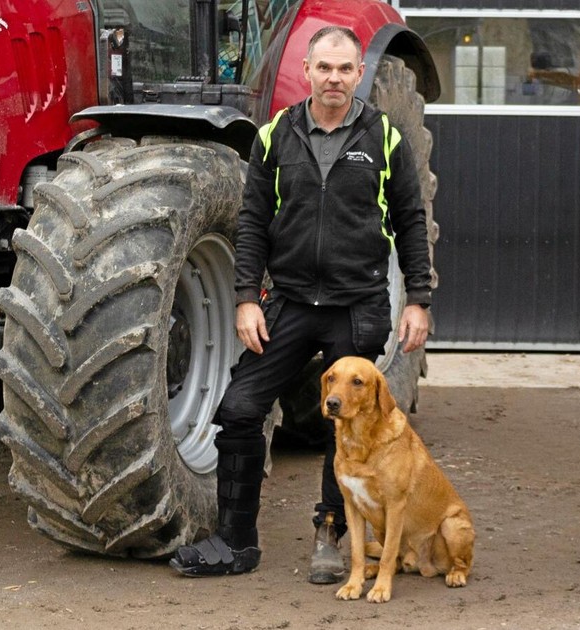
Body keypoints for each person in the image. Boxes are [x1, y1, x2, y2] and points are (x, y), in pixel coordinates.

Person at [169, 25, 432, 581]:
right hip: (289, 300)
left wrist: (418, 299)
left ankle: (330, 533)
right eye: (324, 68)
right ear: (307, 71)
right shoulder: (275, 136)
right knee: (241, 408)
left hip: (356, 304)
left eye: (345, 69)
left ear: (359, 74)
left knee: (349, 420)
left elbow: (411, 220)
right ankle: (235, 542)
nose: (334, 78)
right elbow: (252, 222)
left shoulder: (384, 138)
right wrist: (247, 298)